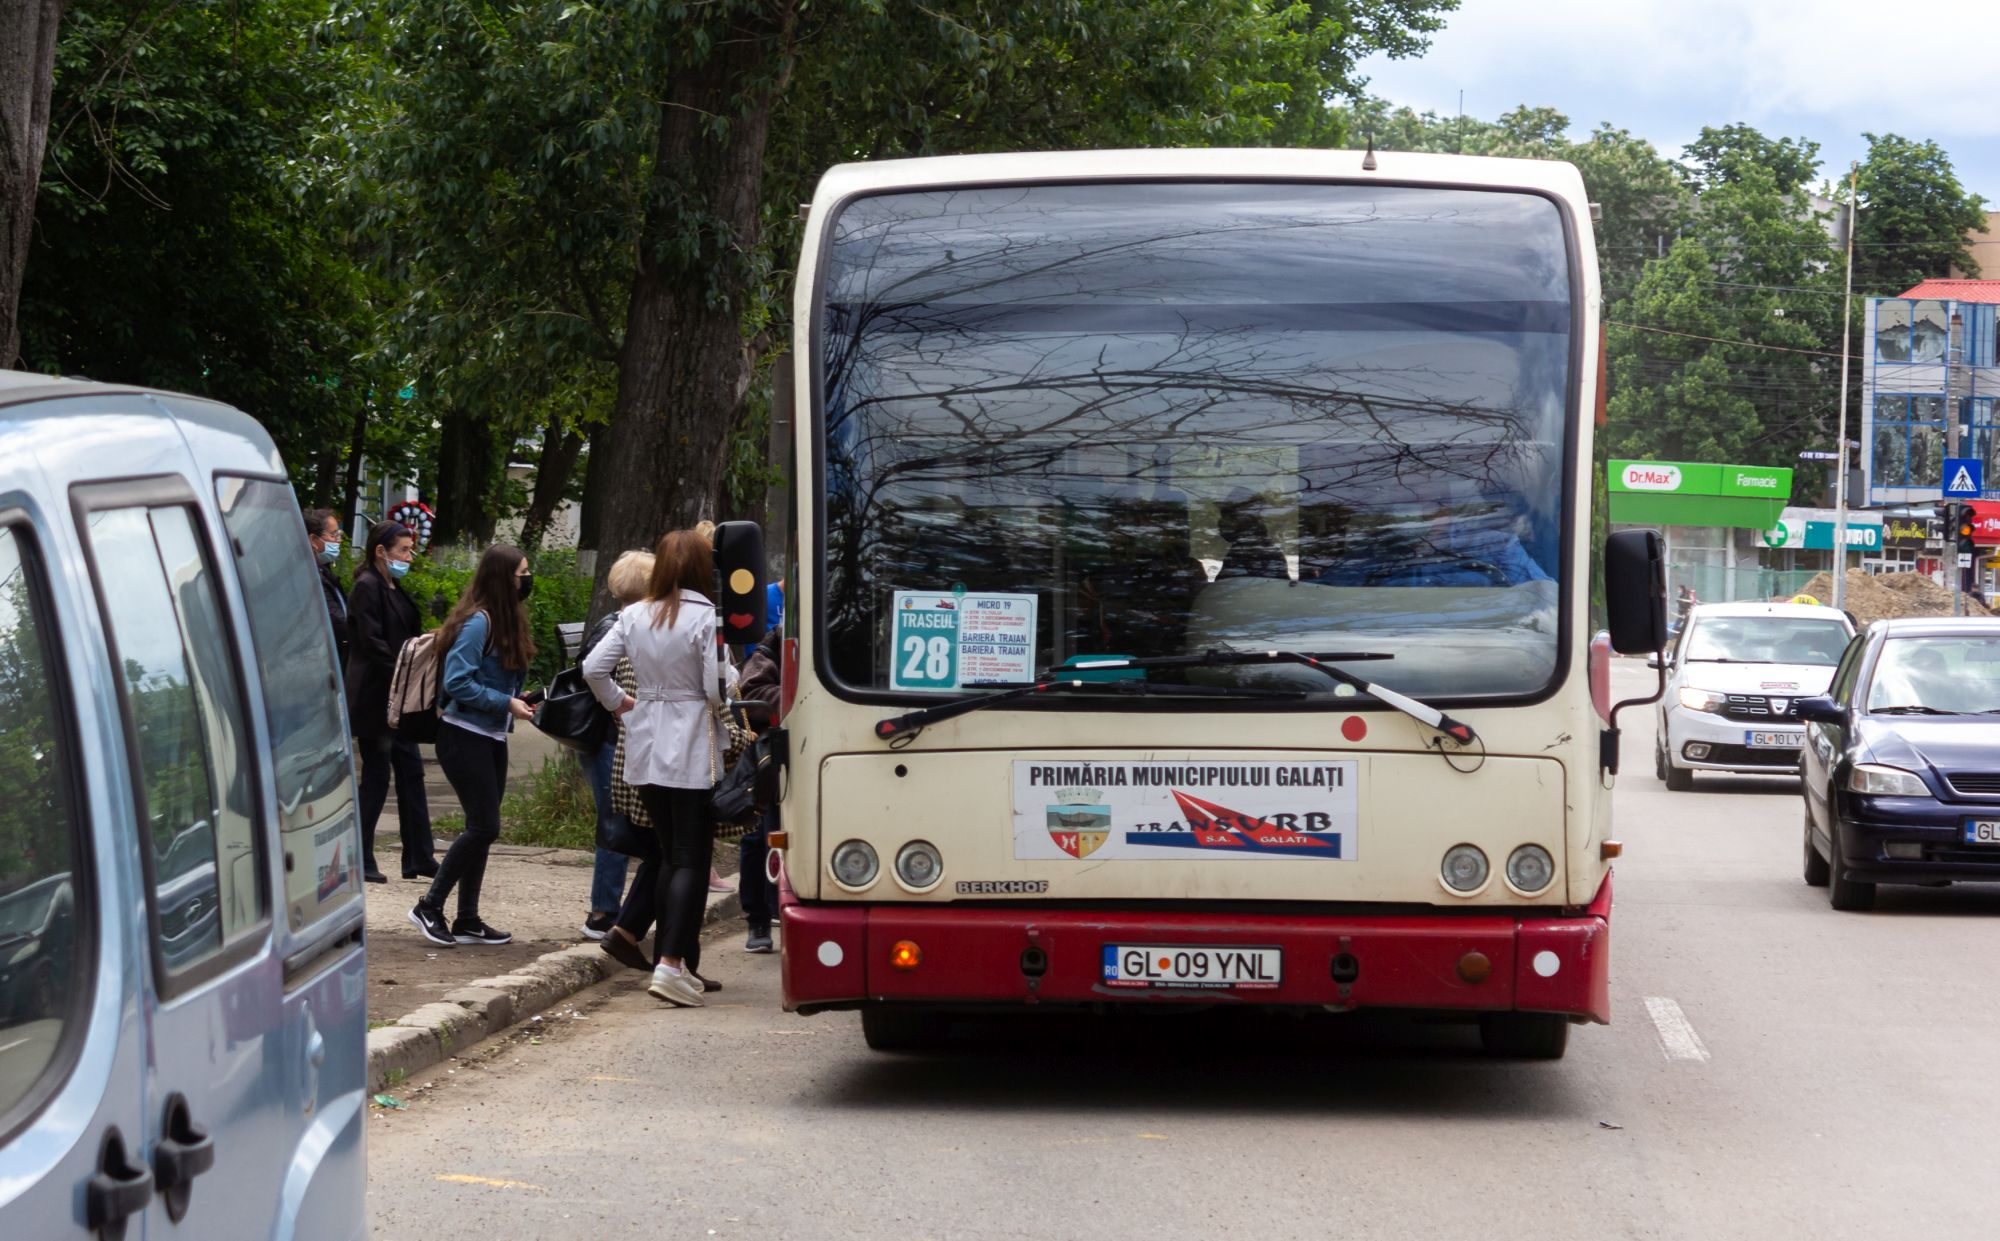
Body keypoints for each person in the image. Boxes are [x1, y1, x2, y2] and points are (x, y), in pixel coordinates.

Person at [582, 530, 735, 1007]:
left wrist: (622, 703)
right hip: (690, 739)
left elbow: (592, 668)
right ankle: (671, 962)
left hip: (645, 740)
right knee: (689, 854)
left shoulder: (633, 614)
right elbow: (715, 688)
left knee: (670, 853)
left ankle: (676, 962)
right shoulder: (706, 617)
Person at [408, 545, 537, 948]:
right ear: (504, 578)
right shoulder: (478, 623)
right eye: (522, 573)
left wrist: (520, 698)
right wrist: (505, 702)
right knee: (484, 826)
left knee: (480, 829)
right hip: (463, 736)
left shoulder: (505, 620)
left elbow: (495, 680)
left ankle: (467, 919)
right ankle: (429, 906)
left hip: (491, 736)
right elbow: (457, 682)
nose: (527, 580)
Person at [346, 521, 435, 883]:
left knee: (411, 770)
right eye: (402, 550)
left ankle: (419, 856)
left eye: (410, 550)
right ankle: (361, 856)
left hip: (398, 694)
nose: (408, 557)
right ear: (381, 551)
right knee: (379, 774)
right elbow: (371, 642)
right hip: (376, 695)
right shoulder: (367, 586)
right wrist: (404, 673)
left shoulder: (391, 585)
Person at [579, 550, 655, 940]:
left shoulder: (621, 620)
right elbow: (591, 673)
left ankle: (612, 906)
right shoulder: (621, 624)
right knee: (614, 822)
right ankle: (603, 912)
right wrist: (619, 704)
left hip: (614, 737)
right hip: (608, 738)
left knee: (619, 820)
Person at [735, 624, 782, 953]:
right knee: (758, 832)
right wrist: (798, 695)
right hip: (775, 749)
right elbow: (750, 691)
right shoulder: (780, 637)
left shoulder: (847, 631)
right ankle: (758, 918)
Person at [306, 508, 349, 666]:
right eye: (333, 535)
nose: (338, 540)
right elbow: (337, 622)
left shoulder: (324, 572)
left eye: (339, 535)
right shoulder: (308, 575)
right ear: (313, 539)